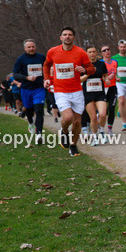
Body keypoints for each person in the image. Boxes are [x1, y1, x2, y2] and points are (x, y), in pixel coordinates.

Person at [43, 27, 94, 157]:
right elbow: (46, 65)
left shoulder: (81, 52)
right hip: (61, 91)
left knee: (77, 122)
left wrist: (84, 70)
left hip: (76, 91)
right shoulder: (53, 52)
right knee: (68, 117)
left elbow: (92, 69)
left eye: (70, 35)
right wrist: (47, 79)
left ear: (74, 38)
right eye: (64, 34)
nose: (67, 37)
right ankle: (64, 131)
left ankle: (73, 145)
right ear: (61, 38)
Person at [13, 39, 48, 145]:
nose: (31, 49)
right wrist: (27, 77)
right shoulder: (21, 59)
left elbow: (47, 68)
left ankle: (39, 135)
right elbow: (15, 74)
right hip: (26, 89)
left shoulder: (41, 57)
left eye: (33, 46)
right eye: (29, 47)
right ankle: (31, 123)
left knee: (39, 110)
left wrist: (47, 78)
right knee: (29, 110)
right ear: (25, 48)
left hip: (39, 88)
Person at [82, 46, 110, 146]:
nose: (92, 54)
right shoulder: (83, 65)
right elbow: (80, 80)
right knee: (93, 117)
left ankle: (102, 132)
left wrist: (106, 79)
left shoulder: (101, 64)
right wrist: (89, 73)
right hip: (88, 94)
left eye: (94, 51)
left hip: (99, 92)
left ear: (96, 53)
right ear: (86, 53)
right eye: (90, 52)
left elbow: (105, 74)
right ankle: (94, 136)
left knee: (102, 114)